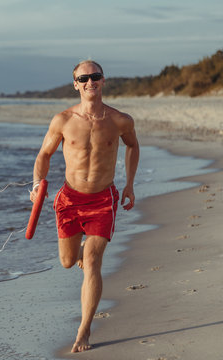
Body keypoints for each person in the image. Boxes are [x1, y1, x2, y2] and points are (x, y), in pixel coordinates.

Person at [30, 60, 140, 353]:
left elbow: (133, 146)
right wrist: (36, 184)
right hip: (69, 200)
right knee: (68, 261)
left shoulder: (120, 120)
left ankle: (84, 329)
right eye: (84, 78)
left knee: (92, 262)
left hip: (103, 200)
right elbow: (44, 154)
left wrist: (129, 184)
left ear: (104, 81)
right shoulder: (63, 120)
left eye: (96, 76)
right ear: (76, 84)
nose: (90, 81)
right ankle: (78, 250)